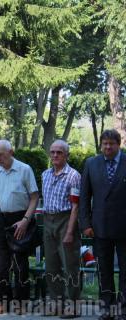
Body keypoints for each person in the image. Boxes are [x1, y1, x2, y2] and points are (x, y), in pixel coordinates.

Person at [0, 139, 38, 315]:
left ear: (11, 152)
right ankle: (2, 301)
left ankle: (21, 302)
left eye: (1, 154)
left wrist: (25, 220)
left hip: (19, 219)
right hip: (0, 220)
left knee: (20, 264)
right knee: (1, 266)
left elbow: (34, 197)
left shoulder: (25, 169)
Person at [79, 129, 126, 320]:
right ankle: (106, 307)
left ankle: (123, 309)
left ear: (119, 144)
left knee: (125, 270)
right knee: (103, 270)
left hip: (124, 227)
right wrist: (86, 224)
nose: (108, 147)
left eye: (111, 144)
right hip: (99, 227)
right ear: (101, 144)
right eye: (105, 143)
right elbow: (84, 197)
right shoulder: (91, 163)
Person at [41, 140, 81, 318]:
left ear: (66, 155)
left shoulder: (73, 176)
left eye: (59, 152)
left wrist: (70, 232)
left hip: (66, 220)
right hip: (48, 221)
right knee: (51, 266)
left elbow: (75, 206)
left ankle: (72, 306)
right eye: (52, 152)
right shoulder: (45, 174)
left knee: (69, 265)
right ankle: (56, 304)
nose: (55, 155)